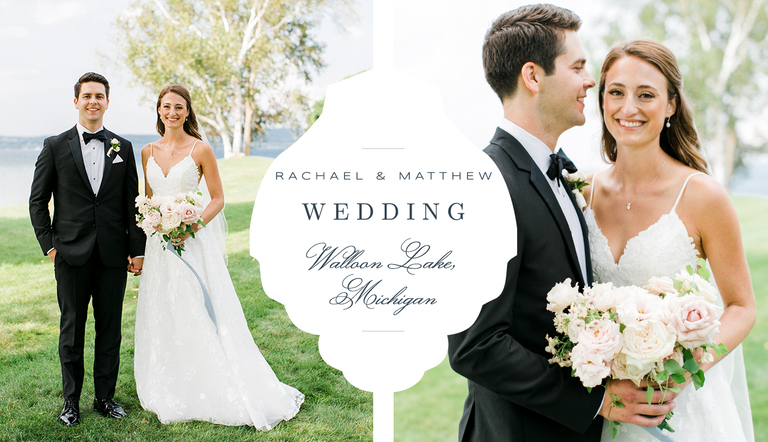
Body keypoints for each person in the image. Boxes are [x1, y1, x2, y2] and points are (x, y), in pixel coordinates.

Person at [447, 6, 678, 441]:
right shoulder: (484, 185)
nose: (590, 81)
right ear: (533, 77)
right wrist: (599, 400)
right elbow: (475, 347)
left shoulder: (565, 173)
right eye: (577, 67)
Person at [585, 39, 755, 442]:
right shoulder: (582, 191)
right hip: (604, 407)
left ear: (671, 105)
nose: (628, 108)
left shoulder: (702, 195)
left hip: (682, 410)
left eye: (646, 95)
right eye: (616, 93)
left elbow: (742, 307)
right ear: (602, 100)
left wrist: (686, 369)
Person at [133, 84, 304, 428]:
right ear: (159, 110)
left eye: (178, 107)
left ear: (188, 111)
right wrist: (153, 223)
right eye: (166, 107)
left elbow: (217, 199)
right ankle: (170, 381)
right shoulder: (147, 151)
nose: (172, 113)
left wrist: (189, 226)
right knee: (164, 308)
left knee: (196, 305)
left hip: (190, 241)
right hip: (159, 246)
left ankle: (212, 379)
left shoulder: (201, 149)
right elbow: (149, 199)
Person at [29, 72, 145, 426]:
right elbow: (38, 201)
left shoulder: (122, 148)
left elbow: (132, 204)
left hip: (113, 255)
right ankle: (70, 402)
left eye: (100, 96)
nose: (93, 101)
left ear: (107, 102)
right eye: (87, 96)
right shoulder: (54, 145)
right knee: (72, 330)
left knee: (110, 330)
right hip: (70, 254)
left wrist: (137, 249)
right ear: (76, 101)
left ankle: (105, 398)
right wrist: (50, 246)